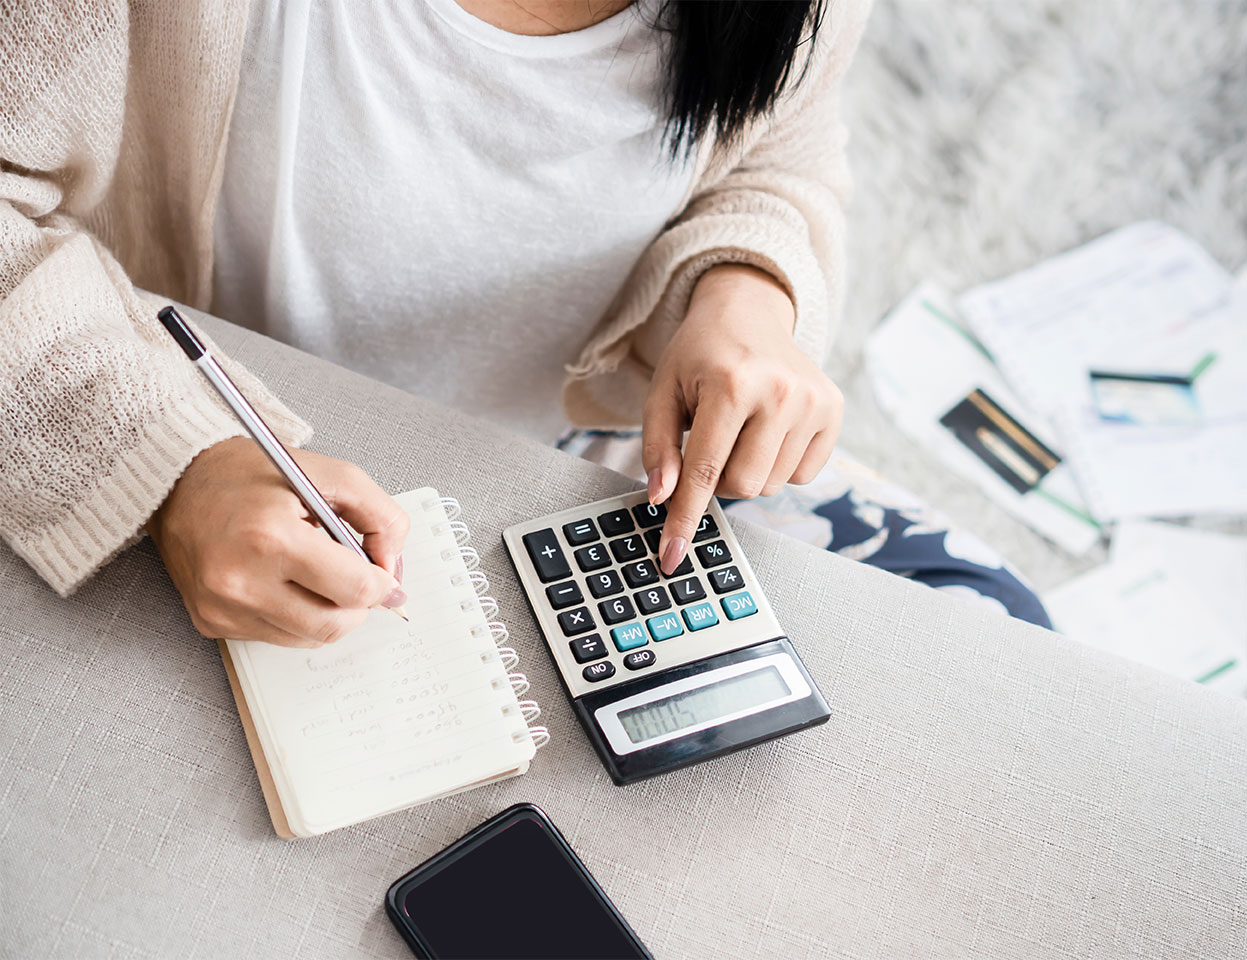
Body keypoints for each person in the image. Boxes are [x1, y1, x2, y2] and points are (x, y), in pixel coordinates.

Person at [0, 0, 1048, 650]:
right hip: (195, 431)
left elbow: (782, 151)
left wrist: (746, 292)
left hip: (570, 445)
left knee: (994, 632)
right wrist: (174, 465)